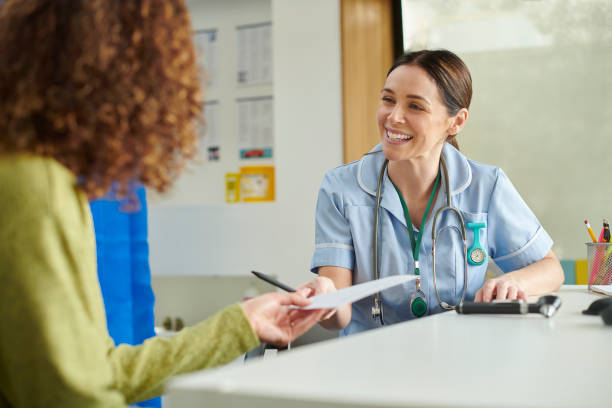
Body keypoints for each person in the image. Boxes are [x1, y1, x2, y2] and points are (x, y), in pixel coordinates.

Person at [0, 1, 326, 406]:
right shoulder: (36, 186)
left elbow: (99, 370)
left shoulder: (35, 171)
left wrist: (242, 324)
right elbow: (70, 393)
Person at [305, 50, 564, 336]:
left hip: (460, 352)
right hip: (371, 356)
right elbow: (338, 316)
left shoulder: (486, 186)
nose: (393, 117)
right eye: (388, 100)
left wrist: (514, 282)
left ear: (457, 122)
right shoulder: (341, 189)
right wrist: (324, 299)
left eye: (415, 106)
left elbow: (551, 269)